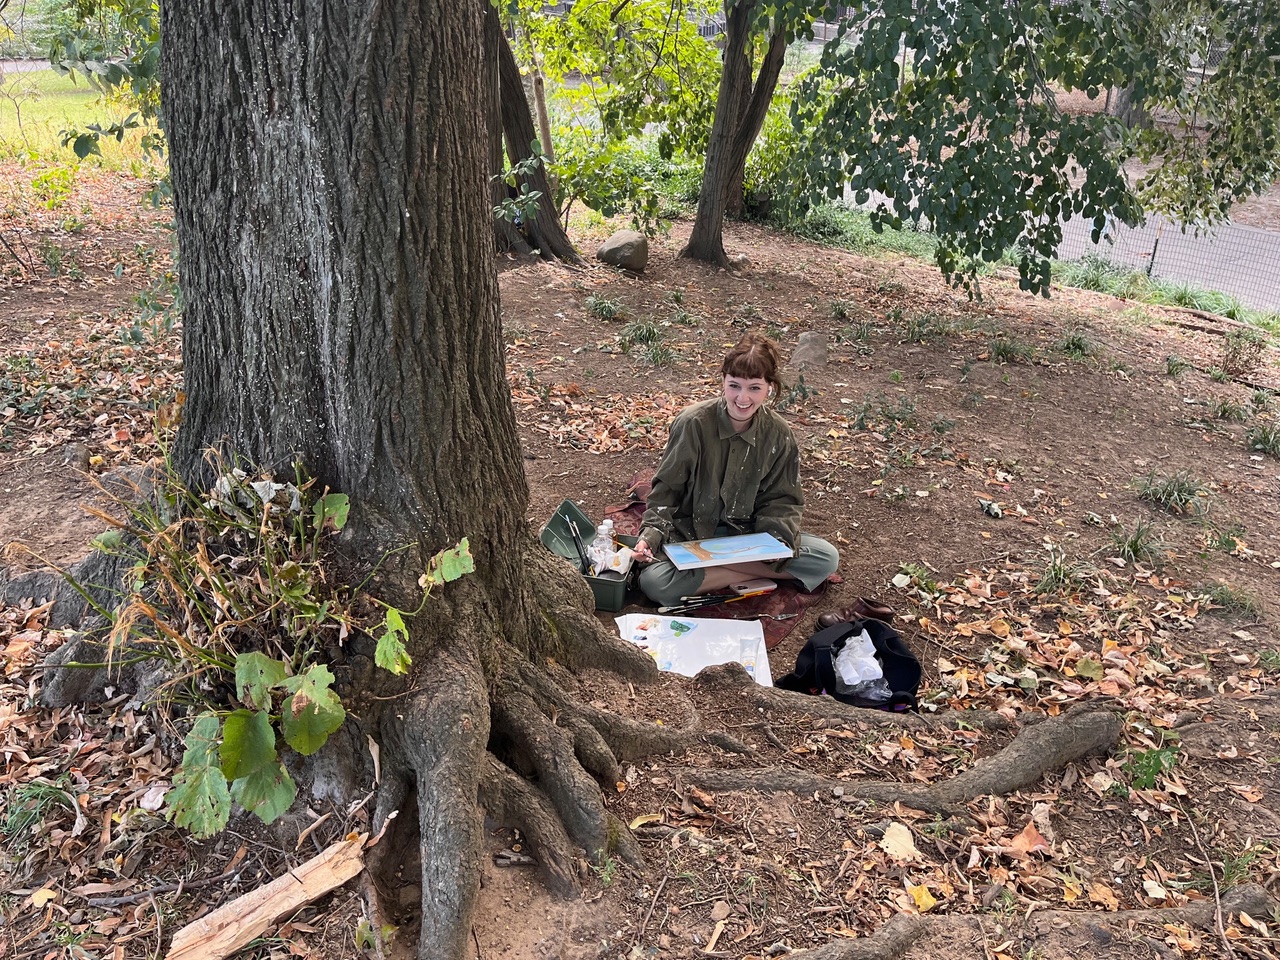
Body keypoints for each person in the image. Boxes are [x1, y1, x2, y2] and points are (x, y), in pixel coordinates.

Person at [633, 332, 840, 608]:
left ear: (770, 387)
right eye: (734, 386)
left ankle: (715, 575)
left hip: (748, 539)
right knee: (654, 582)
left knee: (826, 558)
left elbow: (783, 501)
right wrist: (651, 535)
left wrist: (775, 544)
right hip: (691, 534)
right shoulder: (692, 423)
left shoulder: (779, 434)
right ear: (723, 381)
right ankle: (756, 576)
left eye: (754, 388)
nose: (743, 398)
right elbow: (666, 491)